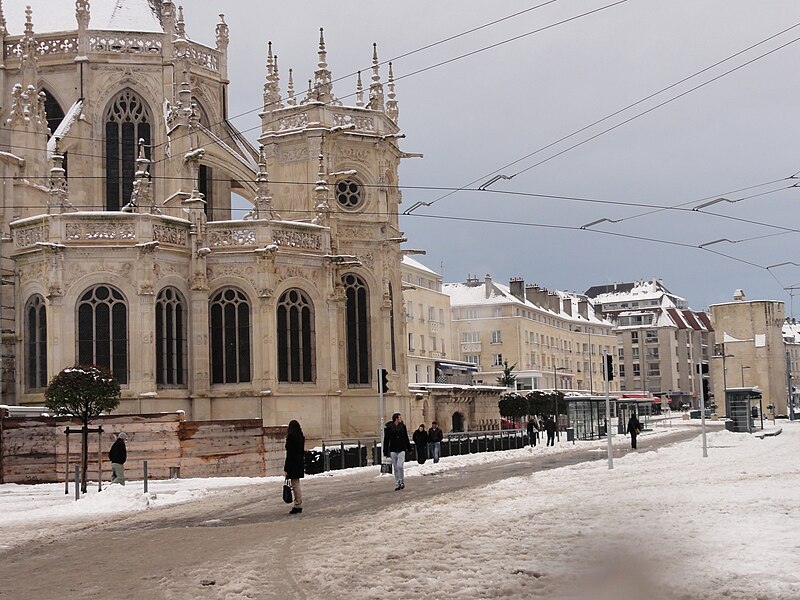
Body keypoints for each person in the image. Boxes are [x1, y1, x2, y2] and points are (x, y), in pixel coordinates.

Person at [383, 413, 411, 490]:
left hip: (401, 448)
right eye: (399, 417)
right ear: (396, 419)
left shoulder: (402, 427)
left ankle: (402, 481)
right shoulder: (389, 428)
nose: (401, 419)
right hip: (393, 449)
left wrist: (409, 448)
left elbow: (406, 437)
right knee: (395, 467)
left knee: (400, 466)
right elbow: (386, 439)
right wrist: (385, 451)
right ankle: (397, 482)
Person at [284, 420, 305, 514]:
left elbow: (289, 453)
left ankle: (298, 505)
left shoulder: (291, 437)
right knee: (296, 484)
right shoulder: (301, 437)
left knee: (295, 485)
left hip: (292, 464)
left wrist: (286, 468)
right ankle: (298, 504)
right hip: (299, 463)